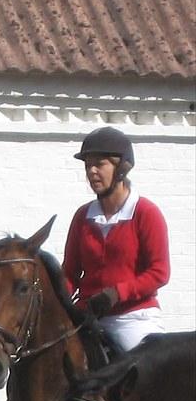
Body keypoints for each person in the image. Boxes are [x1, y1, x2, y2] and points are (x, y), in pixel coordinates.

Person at [63, 126, 170, 352]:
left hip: (132, 319)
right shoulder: (82, 216)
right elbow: (70, 272)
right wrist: (56, 302)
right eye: (87, 165)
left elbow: (159, 272)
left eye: (99, 164)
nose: (91, 171)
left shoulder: (146, 213)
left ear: (121, 169)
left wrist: (116, 293)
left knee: (143, 374)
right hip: (88, 316)